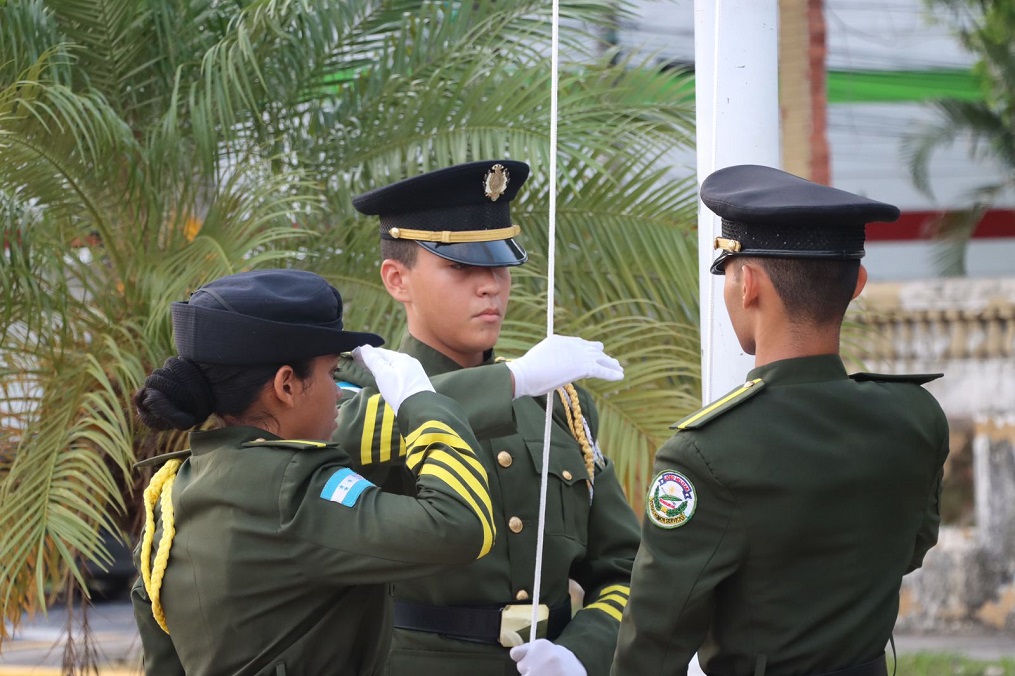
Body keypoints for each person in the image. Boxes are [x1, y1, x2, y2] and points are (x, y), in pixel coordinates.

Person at [612, 164, 951, 676]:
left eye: (726, 272)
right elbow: (910, 548)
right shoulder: (916, 416)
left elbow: (655, 641)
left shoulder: (705, 451)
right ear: (857, 282)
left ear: (747, 283)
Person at [333, 159, 641, 676]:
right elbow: (343, 440)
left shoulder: (557, 405)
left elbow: (626, 570)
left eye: (498, 265)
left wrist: (581, 653)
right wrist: (512, 380)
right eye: (460, 267)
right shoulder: (356, 391)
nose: (490, 286)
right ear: (396, 279)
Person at [130, 268, 498, 676]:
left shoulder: (173, 495)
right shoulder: (293, 486)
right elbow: (461, 526)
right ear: (286, 385)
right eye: (331, 373)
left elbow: (162, 663)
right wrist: (420, 401)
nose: (339, 391)